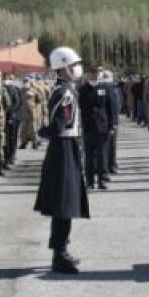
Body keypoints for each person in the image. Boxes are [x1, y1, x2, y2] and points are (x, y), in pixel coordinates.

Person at [34, 47, 88, 274]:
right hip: (64, 148)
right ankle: (59, 254)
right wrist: (45, 132)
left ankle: (62, 249)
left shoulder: (66, 89)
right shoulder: (64, 92)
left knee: (66, 202)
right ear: (63, 67)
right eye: (74, 64)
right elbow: (59, 124)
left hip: (67, 146)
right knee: (64, 203)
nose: (78, 68)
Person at [78, 68, 115, 190]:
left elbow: (111, 107)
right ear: (89, 75)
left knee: (102, 155)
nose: (95, 75)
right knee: (88, 156)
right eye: (93, 73)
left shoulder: (105, 88)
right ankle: (89, 181)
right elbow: (79, 108)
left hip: (102, 126)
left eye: (98, 73)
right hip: (88, 126)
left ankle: (101, 180)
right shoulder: (83, 89)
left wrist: (112, 125)